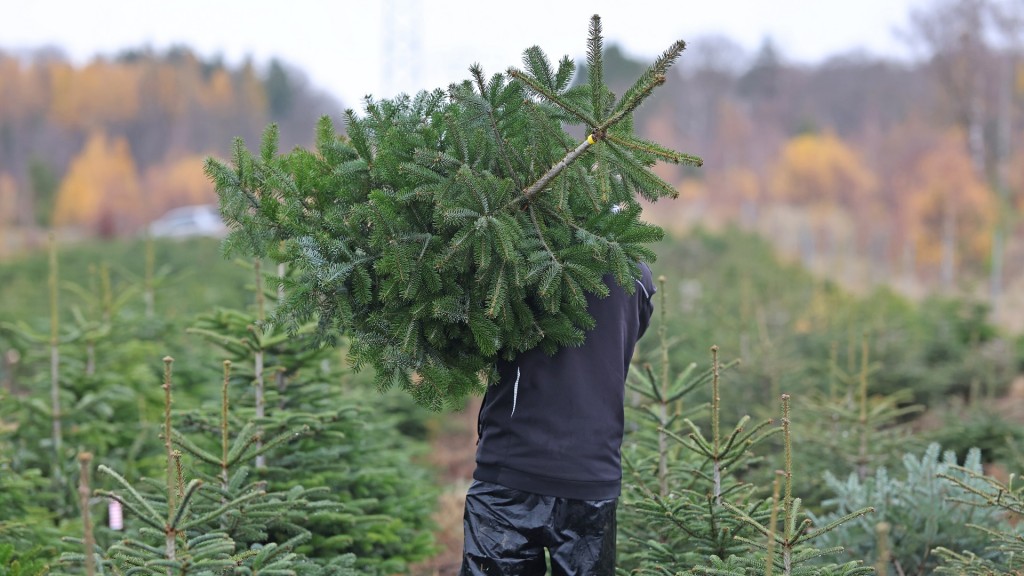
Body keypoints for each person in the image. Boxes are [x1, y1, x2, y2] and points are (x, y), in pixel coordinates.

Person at [460, 262, 657, 576]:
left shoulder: (515, 251)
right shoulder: (635, 270)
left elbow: (468, 332)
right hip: (590, 471)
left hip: (511, 469)